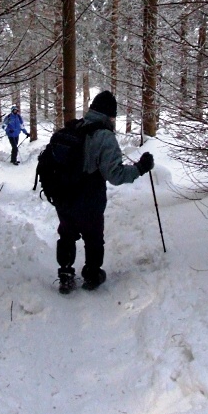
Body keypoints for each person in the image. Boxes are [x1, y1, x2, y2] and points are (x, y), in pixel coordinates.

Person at [56, 90, 154, 293]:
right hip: (88, 198)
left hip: (63, 196)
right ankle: (92, 275)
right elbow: (115, 175)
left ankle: (65, 275)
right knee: (93, 237)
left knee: (67, 234)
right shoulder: (104, 136)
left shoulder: (75, 128)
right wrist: (140, 168)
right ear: (110, 115)